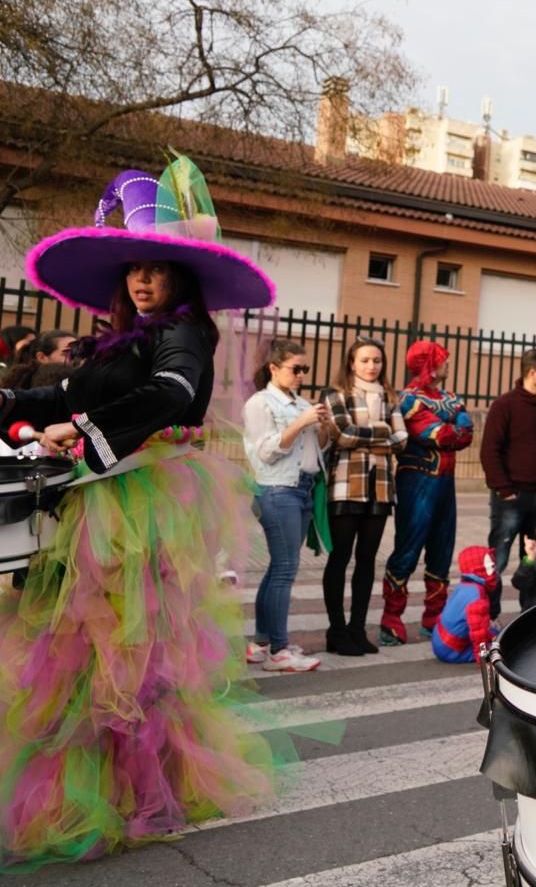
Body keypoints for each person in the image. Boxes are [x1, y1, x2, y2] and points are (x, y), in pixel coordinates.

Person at [0, 158, 278, 867]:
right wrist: (16, 406)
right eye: (133, 270)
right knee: (82, 652)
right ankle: (95, 782)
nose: (142, 280)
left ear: (179, 277)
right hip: (99, 499)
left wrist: (86, 431)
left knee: (129, 654)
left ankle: (138, 789)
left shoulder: (181, 334)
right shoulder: (115, 340)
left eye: (155, 269)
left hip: (142, 504)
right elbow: (65, 394)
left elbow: (169, 394)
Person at [242, 338, 332, 672]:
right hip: (277, 490)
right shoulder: (260, 403)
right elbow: (265, 452)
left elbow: (313, 450)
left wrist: (321, 427)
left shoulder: (298, 402)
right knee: (284, 569)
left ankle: (262, 643)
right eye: (296, 369)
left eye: (305, 369)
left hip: (302, 489)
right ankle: (279, 651)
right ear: (274, 368)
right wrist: (301, 422)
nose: (301, 376)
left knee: (278, 568)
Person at [380, 340, 475, 645]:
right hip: (417, 484)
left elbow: (465, 431)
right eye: (442, 359)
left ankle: (434, 617)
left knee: (441, 551)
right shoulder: (408, 399)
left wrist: (454, 430)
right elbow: (438, 433)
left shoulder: (448, 396)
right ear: (429, 365)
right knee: (407, 549)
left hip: (444, 485)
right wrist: (453, 428)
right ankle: (391, 619)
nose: (447, 364)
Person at [322, 339, 407, 656]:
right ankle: (337, 631)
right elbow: (341, 435)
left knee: (367, 560)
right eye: (365, 360)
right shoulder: (335, 395)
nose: (372, 366)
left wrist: (369, 435)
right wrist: (381, 430)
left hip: (381, 486)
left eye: (377, 361)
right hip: (346, 485)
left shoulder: (389, 396)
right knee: (340, 558)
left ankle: (357, 629)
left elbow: (402, 440)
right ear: (351, 363)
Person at [481, 347, 536, 617]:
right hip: (511, 497)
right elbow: (489, 450)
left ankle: (531, 617)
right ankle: (488, 615)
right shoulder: (505, 405)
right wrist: (504, 490)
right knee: (498, 559)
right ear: (532, 372)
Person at [430, 545, 498, 664]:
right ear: (477, 568)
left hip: (440, 641)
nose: (493, 571)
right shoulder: (477, 596)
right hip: (450, 650)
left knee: (494, 633)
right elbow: (479, 634)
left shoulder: (464, 586)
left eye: (492, 566)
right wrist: (483, 657)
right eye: (488, 567)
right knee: (500, 644)